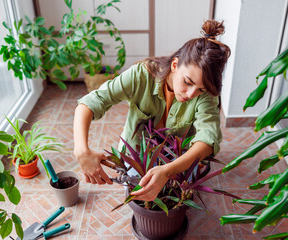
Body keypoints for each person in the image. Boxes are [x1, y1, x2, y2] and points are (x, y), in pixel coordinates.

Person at [73, 19, 231, 202]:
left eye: (201, 90)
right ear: (174, 65)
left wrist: (168, 170)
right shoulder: (141, 75)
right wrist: (81, 151)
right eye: (188, 82)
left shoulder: (206, 93)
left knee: (178, 198)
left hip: (179, 158)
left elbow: (208, 139)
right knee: (141, 195)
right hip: (137, 154)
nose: (191, 93)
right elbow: (89, 103)